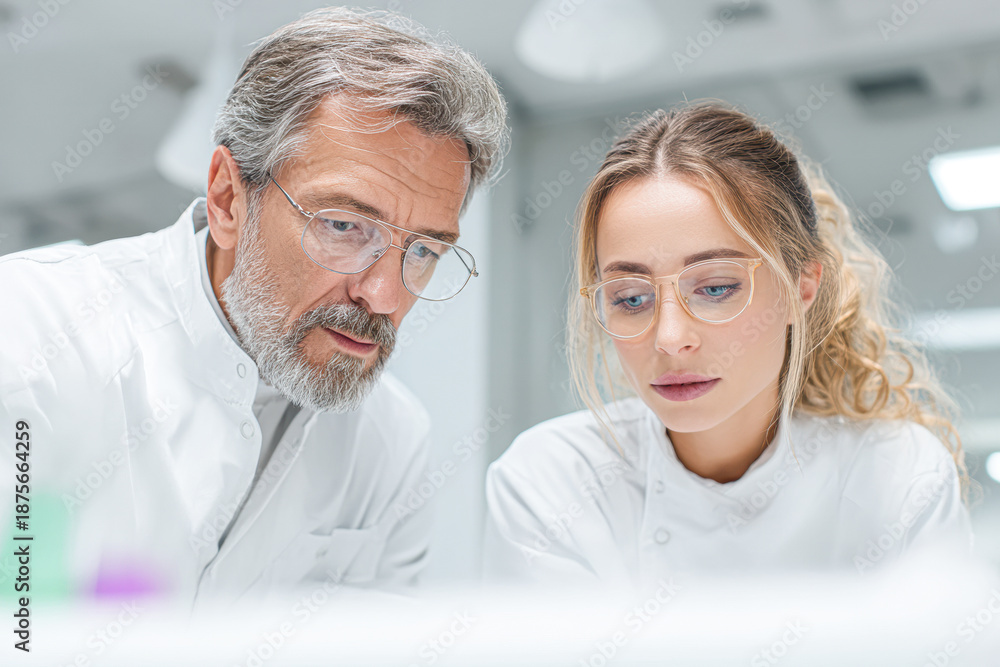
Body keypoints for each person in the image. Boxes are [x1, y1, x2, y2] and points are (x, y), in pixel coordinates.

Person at [0, 8, 506, 604]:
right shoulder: (32, 326)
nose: (386, 296)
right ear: (227, 200)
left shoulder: (392, 438)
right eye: (344, 226)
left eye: (422, 250)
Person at [484, 102, 973, 589]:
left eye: (716, 288)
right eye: (632, 298)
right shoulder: (552, 481)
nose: (671, 339)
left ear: (802, 288)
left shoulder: (896, 475)